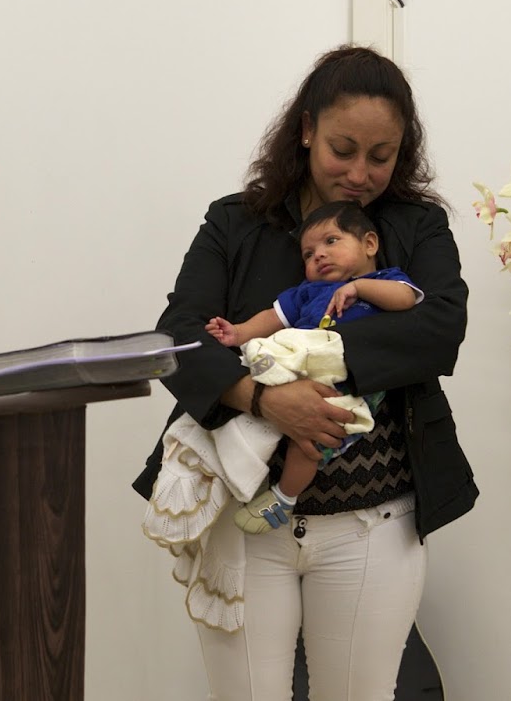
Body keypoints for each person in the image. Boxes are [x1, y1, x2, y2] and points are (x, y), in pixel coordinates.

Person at [133, 45, 478, 700]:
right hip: (243, 519)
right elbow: (179, 335)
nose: (360, 173)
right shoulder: (235, 222)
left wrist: (317, 359)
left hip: (375, 520)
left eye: (381, 156)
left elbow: (440, 330)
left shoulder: (416, 226)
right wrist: (264, 400)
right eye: (343, 149)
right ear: (306, 129)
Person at [206, 199, 421, 533]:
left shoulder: (385, 280)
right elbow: (273, 317)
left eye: (331, 241)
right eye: (308, 254)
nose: (319, 255)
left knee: (308, 445)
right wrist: (239, 332)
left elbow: (406, 299)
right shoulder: (308, 291)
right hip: (299, 370)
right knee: (265, 359)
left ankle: (284, 497)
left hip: (345, 382)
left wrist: (359, 287)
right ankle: (217, 466)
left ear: (369, 244)